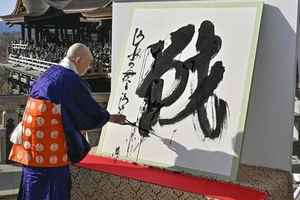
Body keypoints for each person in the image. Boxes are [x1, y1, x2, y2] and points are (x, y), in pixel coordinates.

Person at [8, 43, 126, 200]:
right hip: (49, 150)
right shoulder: (70, 80)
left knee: (32, 187)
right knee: (52, 190)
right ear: (78, 60)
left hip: (30, 145)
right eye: (88, 62)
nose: (89, 66)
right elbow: (88, 112)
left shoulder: (51, 72)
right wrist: (110, 117)